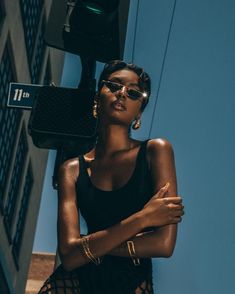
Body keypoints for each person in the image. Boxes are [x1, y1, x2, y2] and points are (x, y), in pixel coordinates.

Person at [38, 60, 184, 294]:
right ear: (98, 99)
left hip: (131, 279)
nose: (122, 94)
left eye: (134, 92)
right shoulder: (72, 169)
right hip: (76, 280)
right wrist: (143, 218)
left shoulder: (156, 151)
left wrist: (90, 246)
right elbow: (68, 256)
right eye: (114, 86)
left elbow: (164, 244)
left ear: (139, 112)